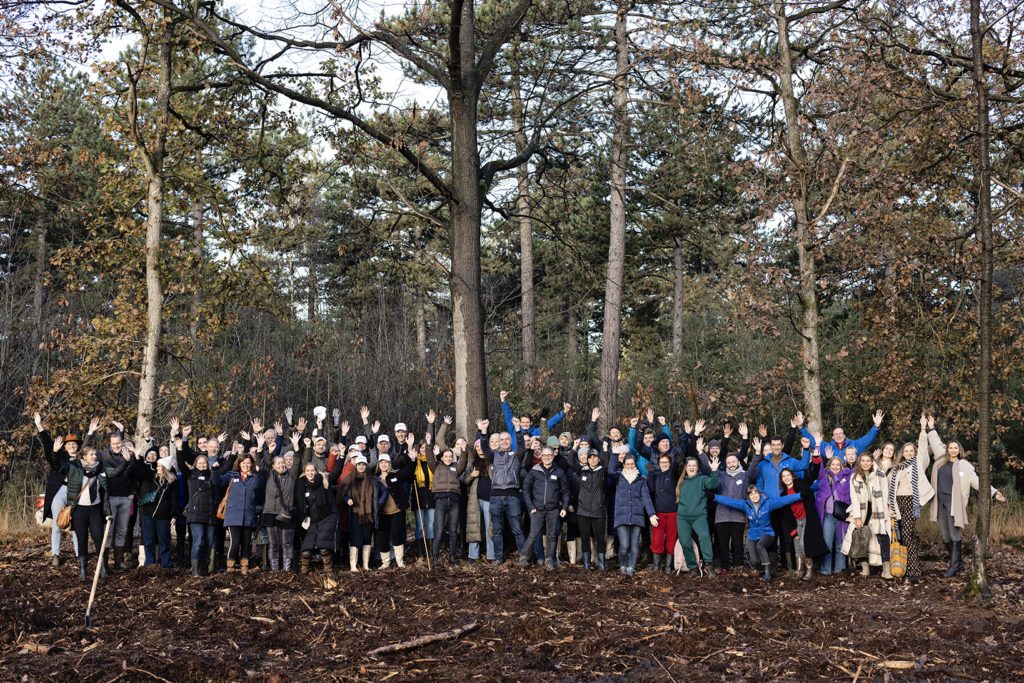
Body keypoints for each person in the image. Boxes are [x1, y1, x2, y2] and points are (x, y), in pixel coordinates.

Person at [925, 416, 1006, 577]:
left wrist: (994, 492)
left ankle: (955, 566)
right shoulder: (941, 461)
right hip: (940, 503)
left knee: (955, 534)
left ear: (959, 450)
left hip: (954, 504)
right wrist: (931, 428)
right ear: (947, 449)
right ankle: (959, 563)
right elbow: (935, 442)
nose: (953, 450)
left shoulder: (965, 466)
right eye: (950, 447)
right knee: (945, 534)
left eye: (956, 448)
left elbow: (978, 482)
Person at [51, 444, 129, 579]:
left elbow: (115, 472)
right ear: (84, 457)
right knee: (82, 539)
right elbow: (57, 466)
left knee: (99, 539)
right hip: (79, 510)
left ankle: (103, 568)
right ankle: (83, 570)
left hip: (96, 509)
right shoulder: (74, 467)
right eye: (92, 454)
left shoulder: (100, 468)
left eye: (95, 454)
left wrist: (126, 462)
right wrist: (55, 452)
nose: (95, 456)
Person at [879, 414, 936, 581]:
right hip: (897, 503)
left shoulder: (918, 463)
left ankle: (914, 570)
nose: (909, 453)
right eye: (906, 451)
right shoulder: (896, 469)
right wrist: (889, 506)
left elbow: (924, 446)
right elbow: (887, 486)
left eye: (912, 451)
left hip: (912, 501)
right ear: (902, 453)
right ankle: (902, 566)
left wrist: (923, 429)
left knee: (908, 533)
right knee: (901, 535)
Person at [34, 413, 95, 565]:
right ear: (65, 447)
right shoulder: (60, 457)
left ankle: (78, 553)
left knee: (77, 524)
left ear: (77, 446)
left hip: (76, 493)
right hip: (60, 491)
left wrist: (90, 432)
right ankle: (55, 554)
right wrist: (40, 426)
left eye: (74, 444)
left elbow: (88, 446)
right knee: (58, 523)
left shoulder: (82, 458)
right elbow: (49, 446)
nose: (72, 446)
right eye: (69, 444)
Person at [714, 486, 802, 581]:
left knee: (760, 546)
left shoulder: (767, 503)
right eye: (751, 494)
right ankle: (761, 568)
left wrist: (800, 495)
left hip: (767, 533)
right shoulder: (746, 505)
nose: (754, 496)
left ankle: (768, 573)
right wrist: (715, 497)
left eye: (756, 493)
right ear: (748, 496)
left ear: (759, 494)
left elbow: (783, 500)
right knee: (755, 561)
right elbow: (731, 502)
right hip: (753, 535)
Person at [477, 419, 527, 564]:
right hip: (496, 498)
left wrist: (518, 429)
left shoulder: (516, 455)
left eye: (507, 439)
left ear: (511, 441)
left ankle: (523, 558)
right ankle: (498, 558)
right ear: (498, 442)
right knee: (497, 531)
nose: (504, 441)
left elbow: (522, 446)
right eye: (502, 439)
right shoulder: (494, 455)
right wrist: (484, 431)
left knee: (517, 529)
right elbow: (485, 447)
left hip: (513, 497)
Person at [712, 424, 760, 573]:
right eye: (729, 462)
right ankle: (726, 568)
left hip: (738, 517)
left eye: (734, 461)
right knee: (723, 544)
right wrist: (702, 454)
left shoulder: (744, 476)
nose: (731, 464)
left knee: (738, 544)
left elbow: (753, 466)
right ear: (725, 464)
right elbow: (711, 478)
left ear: (738, 462)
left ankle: (739, 568)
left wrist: (757, 452)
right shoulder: (721, 475)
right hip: (721, 516)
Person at [520, 446, 570, 570]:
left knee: (552, 535)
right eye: (544, 455)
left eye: (549, 455)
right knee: (534, 534)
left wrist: (564, 507)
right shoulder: (534, 471)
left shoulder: (559, 471)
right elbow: (526, 490)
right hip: (537, 509)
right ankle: (523, 558)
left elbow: (565, 492)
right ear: (541, 456)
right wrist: (530, 506)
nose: (547, 457)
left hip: (553, 509)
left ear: (553, 456)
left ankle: (549, 561)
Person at [843, 451, 892, 578]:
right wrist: (857, 517)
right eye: (863, 461)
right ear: (860, 462)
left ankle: (886, 569)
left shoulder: (880, 475)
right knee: (863, 537)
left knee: (883, 537)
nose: (865, 463)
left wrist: (887, 509)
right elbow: (854, 498)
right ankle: (865, 568)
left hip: (878, 508)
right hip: (863, 510)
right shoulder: (855, 477)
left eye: (868, 461)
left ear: (872, 462)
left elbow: (885, 494)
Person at [216, 448, 264, 574]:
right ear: (239, 464)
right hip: (233, 516)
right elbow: (217, 481)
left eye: (248, 463)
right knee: (235, 541)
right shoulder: (232, 475)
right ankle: (230, 568)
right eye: (243, 463)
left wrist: (258, 474)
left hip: (248, 515)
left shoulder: (255, 477)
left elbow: (258, 487)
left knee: (246, 543)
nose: (246, 465)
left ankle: (244, 568)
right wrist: (214, 470)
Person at [175, 433, 217, 577]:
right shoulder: (190, 474)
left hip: (210, 514)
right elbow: (181, 463)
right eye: (199, 463)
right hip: (195, 513)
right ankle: (195, 570)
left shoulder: (212, 475)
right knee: (198, 542)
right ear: (195, 464)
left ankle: (204, 569)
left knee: (209, 542)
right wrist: (180, 449)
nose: (202, 465)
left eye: (204, 463)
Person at [776, 466, 827, 580]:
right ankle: (800, 570)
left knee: (805, 546)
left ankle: (809, 570)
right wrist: (792, 530)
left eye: (788, 475)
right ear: (781, 479)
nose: (786, 478)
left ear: (792, 476)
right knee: (797, 547)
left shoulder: (801, 485)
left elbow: (808, 490)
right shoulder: (783, 495)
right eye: (784, 476)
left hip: (807, 520)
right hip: (796, 523)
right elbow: (787, 515)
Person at [610, 453, 658, 576]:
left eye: (632, 464)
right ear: (624, 465)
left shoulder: (641, 480)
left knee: (635, 545)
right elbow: (610, 470)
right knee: (624, 545)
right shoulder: (619, 478)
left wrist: (651, 514)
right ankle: (623, 565)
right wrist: (615, 454)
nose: (630, 466)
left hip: (637, 516)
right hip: (622, 516)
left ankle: (631, 567)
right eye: (628, 464)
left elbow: (646, 498)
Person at [263, 432, 304, 571]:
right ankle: (275, 569)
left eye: (283, 463)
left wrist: (296, 446)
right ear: (274, 466)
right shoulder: (269, 475)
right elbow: (264, 462)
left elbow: (297, 460)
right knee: (273, 544)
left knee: (287, 543)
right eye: (278, 463)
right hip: (270, 513)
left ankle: (286, 569)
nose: (281, 465)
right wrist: (269, 452)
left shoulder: (291, 475)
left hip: (286, 513)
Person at [298, 454, 344, 574]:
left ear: (316, 471)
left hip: (326, 516)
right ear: (304, 472)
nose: (310, 473)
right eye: (308, 471)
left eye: (312, 470)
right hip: (311, 519)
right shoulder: (301, 485)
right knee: (306, 550)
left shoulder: (324, 481)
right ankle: (304, 570)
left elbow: (337, 472)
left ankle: (328, 568)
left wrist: (342, 457)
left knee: (324, 547)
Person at [674, 456, 719, 577]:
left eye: (694, 465)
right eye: (690, 465)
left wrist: (714, 471)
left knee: (704, 536)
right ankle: (692, 567)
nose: (692, 467)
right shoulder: (682, 481)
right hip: (683, 517)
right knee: (684, 542)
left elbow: (713, 485)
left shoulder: (702, 479)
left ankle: (708, 565)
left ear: (697, 467)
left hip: (699, 516)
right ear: (686, 467)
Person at [813, 445, 853, 576]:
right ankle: (826, 570)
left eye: (838, 464)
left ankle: (839, 570)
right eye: (833, 464)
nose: (835, 467)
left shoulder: (846, 477)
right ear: (829, 466)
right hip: (828, 517)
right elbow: (818, 467)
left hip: (842, 517)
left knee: (840, 545)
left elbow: (857, 470)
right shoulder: (824, 476)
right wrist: (820, 452)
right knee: (827, 544)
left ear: (842, 466)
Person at [428, 437, 468, 567]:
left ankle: (452, 556)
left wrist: (464, 450)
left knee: (452, 531)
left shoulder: (456, 468)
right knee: (439, 530)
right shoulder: (436, 467)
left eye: (450, 456)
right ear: (442, 457)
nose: (448, 458)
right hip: (440, 502)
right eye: (446, 456)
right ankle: (435, 558)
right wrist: (429, 444)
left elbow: (464, 461)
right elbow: (429, 458)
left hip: (454, 503)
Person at [374, 449, 415, 568]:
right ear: (378, 464)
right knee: (383, 537)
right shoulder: (375, 479)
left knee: (396, 535)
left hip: (397, 511)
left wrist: (412, 460)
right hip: (382, 513)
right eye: (381, 462)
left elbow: (408, 473)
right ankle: (385, 562)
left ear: (389, 463)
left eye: (386, 462)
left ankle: (399, 561)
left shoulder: (395, 475)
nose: (384, 464)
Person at [574, 444, 611, 570]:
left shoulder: (602, 471)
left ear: (598, 459)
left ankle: (601, 564)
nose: (593, 459)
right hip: (583, 511)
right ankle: (586, 564)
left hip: (598, 510)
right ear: (587, 459)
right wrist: (574, 448)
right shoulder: (582, 470)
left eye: (595, 457)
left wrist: (605, 450)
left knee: (600, 539)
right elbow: (569, 461)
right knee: (585, 538)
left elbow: (607, 463)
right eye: (590, 457)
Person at [339, 452, 376, 571]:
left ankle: (366, 565)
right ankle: (353, 566)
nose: (361, 466)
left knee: (366, 538)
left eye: (363, 464)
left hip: (368, 514)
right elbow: (343, 494)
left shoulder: (372, 480)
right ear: (356, 466)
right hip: (355, 512)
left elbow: (379, 494)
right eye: (359, 464)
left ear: (366, 466)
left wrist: (377, 504)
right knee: (355, 538)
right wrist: (348, 499)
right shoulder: (350, 479)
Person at [465, 437, 494, 563]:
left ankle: (491, 555)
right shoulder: (472, 464)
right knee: (474, 527)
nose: (480, 449)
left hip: (490, 499)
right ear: (475, 449)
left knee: (490, 528)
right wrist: (471, 475)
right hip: (475, 500)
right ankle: (473, 555)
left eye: (482, 446)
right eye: (477, 447)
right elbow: (464, 480)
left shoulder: (492, 461)